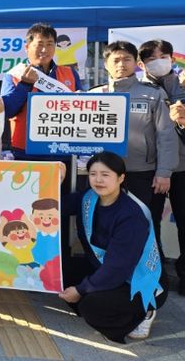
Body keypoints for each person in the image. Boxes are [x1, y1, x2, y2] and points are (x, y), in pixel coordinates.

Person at [60, 152, 167, 342]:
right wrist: (55, 182)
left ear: (121, 178)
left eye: (105, 174)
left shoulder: (131, 215)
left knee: (90, 306)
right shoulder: (90, 197)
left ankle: (143, 313)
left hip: (140, 281)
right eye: (93, 174)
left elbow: (118, 267)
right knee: (59, 267)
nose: (98, 180)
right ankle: (99, 296)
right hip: (107, 267)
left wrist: (81, 290)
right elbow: (56, 207)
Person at [1, 23, 82, 259]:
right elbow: (8, 109)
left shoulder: (69, 74)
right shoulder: (14, 74)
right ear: (27, 47)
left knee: (58, 213)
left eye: (49, 44)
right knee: (28, 213)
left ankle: (60, 263)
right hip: (26, 154)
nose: (44, 49)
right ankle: (28, 260)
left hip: (61, 155)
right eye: (39, 44)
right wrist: (26, 84)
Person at [90, 41, 178, 219]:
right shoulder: (93, 95)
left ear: (136, 63)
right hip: (103, 173)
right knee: (105, 223)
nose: (121, 64)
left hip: (142, 174)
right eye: (116, 60)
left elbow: (166, 136)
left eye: (127, 59)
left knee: (146, 223)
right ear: (106, 64)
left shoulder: (153, 94)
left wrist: (164, 173)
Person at [137, 39, 185, 293]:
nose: (159, 62)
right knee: (149, 221)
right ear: (142, 64)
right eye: (152, 59)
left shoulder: (183, 87)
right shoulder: (136, 89)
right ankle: (156, 274)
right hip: (150, 168)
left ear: (172, 59)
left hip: (182, 167)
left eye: (163, 57)